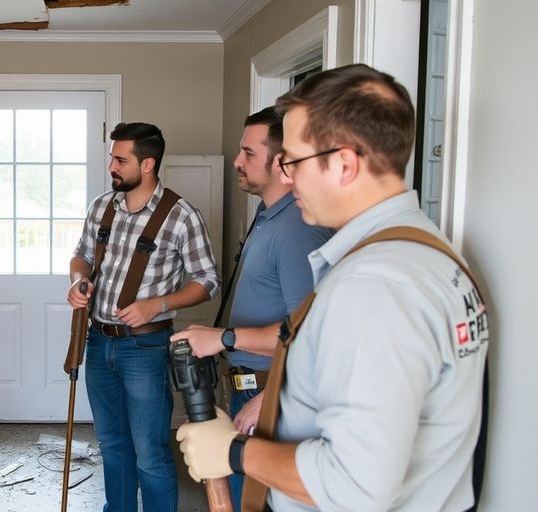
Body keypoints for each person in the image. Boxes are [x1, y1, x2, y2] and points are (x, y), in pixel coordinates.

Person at [175, 64, 489, 511]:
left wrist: (231, 451)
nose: (288, 176)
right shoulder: (429, 250)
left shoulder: (373, 287)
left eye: (294, 161)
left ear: (344, 164)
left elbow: (356, 487)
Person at [169, 106, 331, 511]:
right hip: (249, 385)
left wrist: (273, 392)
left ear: (281, 162)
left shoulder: (297, 230)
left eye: (248, 154)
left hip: (268, 391)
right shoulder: (267, 216)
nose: (238, 162)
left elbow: (310, 335)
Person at [68, 122, 220, 512]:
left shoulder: (182, 216)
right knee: (113, 446)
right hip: (98, 344)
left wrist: (159, 304)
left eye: (121, 159)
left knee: (150, 453)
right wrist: (78, 280)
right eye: (112, 158)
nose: (112, 166)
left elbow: (207, 280)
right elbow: (81, 255)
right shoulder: (102, 206)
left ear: (148, 163)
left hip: (146, 348)